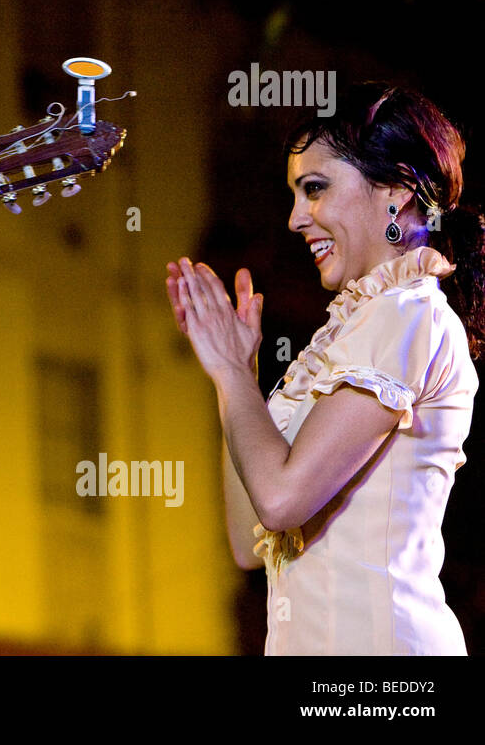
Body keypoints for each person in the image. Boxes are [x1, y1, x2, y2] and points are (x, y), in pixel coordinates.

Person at [165, 83, 482, 655]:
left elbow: (282, 500)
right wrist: (230, 371)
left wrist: (238, 379)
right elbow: (246, 539)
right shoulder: (355, 332)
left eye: (314, 190)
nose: (294, 219)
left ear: (396, 192)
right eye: (294, 194)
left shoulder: (407, 316)